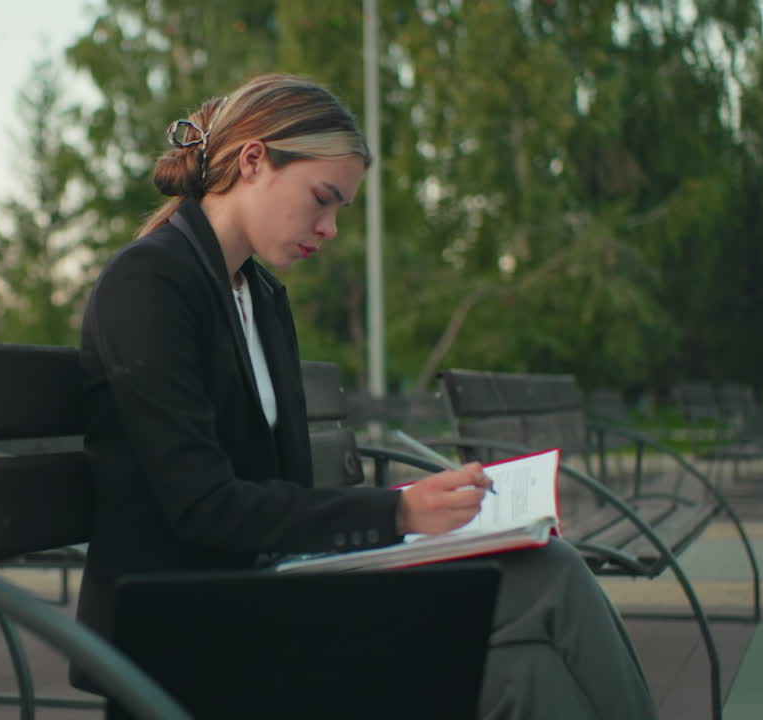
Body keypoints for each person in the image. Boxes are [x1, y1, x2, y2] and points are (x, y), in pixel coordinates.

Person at [72, 73, 657, 719]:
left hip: (266, 584)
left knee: (530, 669)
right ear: (254, 159)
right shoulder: (151, 282)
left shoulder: (257, 296)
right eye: (322, 200)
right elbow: (202, 505)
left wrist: (411, 520)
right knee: (549, 578)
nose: (329, 228)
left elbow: (278, 486)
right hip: (185, 619)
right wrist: (398, 514)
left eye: (338, 210)